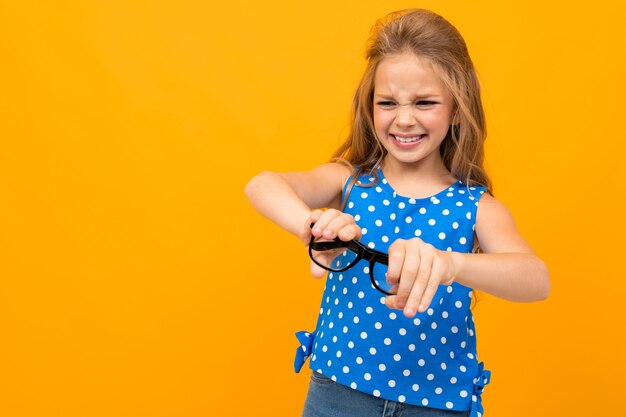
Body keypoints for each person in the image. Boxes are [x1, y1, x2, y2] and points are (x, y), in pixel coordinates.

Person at [245, 8, 549, 417]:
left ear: (457, 109)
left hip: (436, 404)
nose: (404, 119)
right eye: (387, 102)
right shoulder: (348, 181)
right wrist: (310, 224)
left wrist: (449, 264)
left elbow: (536, 279)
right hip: (336, 392)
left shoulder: (476, 207)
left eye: (424, 102)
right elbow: (261, 185)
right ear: (370, 108)